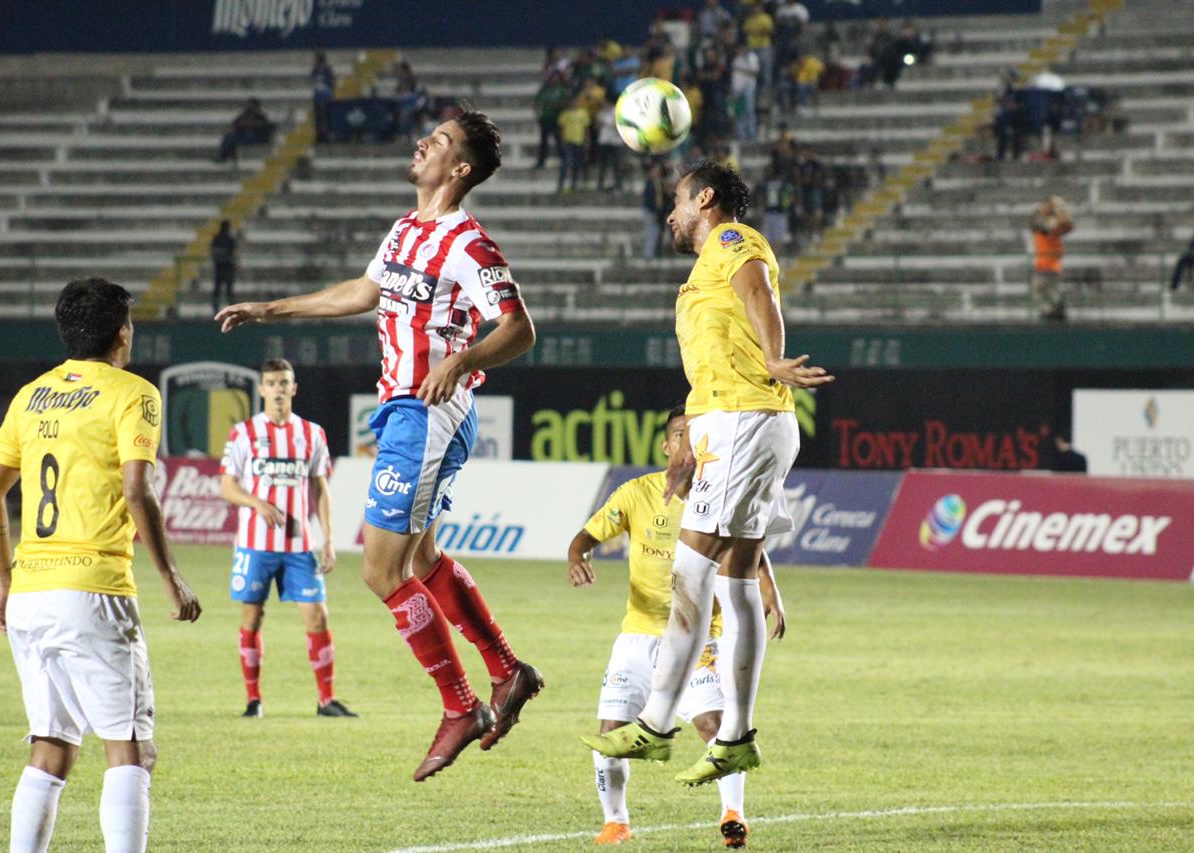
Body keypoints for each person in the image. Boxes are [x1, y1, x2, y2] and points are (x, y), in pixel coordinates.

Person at [215, 109, 543, 782]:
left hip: (426, 413)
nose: (424, 140)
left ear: (459, 170)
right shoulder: (405, 230)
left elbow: (519, 328)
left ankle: (462, 705)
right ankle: (507, 670)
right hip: (410, 411)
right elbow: (364, 292)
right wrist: (269, 308)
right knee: (420, 560)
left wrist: (460, 360)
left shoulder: (467, 242)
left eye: (442, 140)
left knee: (379, 569)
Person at [581, 160, 832, 785]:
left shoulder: (730, 240)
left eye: (677, 200)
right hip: (734, 421)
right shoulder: (700, 275)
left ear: (707, 199)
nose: (670, 212)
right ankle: (735, 738)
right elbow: (713, 359)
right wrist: (691, 432)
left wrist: (774, 357)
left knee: (690, 569)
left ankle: (659, 722)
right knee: (735, 578)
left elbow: (758, 291)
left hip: (747, 419)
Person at [0, 278, 202, 853]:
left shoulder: (30, 396)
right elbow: (137, 489)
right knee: (130, 748)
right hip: (94, 588)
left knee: (51, 748)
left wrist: (5, 580)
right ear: (122, 332)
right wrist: (172, 580)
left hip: (31, 590)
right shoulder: (132, 393)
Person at [568, 406, 787, 849]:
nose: (689, 443)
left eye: (696, 435)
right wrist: (578, 556)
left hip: (700, 638)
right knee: (610, 736)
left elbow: (747, 544)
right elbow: (586, 536)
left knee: (715, 725)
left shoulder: (719, 493)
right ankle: (616, 822)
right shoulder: (636, 494)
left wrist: (769, 587)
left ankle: (733, 814)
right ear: (669, 445)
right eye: (680, 435)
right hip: (637, 637)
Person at [220, 358, 356, 720]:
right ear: (261, 389)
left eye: (284, 383)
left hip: (299, 546)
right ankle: (253, 700)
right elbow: (227, 485)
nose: (278, 389)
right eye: (271, 383)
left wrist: (328, 540)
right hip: (255, 544)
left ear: (293, 388)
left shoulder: (312, 433)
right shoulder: (244, 433)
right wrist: (255, 502)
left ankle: (326, 700)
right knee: (252, 616)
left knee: (317, 618)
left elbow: (321, 488)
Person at [1030, 195, 1074, 321]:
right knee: (1041, 292)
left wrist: (1060, 209)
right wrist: (1044, 209)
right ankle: (1051, 313)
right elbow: (1036, 223)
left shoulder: (1054, 224)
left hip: (1051, 266)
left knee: (1052, 293)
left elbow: (1067, 225)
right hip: (1042, 265)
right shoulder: (1040, 223)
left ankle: (1055, 313)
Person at [215, 98, 274, 165]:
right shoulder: (244, 116)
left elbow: (266, 128)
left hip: (255, 137)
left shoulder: (261, 117)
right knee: (229, 138)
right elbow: (235, 124)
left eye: (251, 106)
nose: (249, 108)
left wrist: (254, 125)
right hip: (242, 135)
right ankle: (223, 157)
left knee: (247, 136)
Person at [534, 71, 571, 169]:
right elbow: (537, 102)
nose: (554, 79)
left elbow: (567, 103)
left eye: (556, 77)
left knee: (558, 140)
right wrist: (538, 115)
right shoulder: (545, 90)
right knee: (543, 141)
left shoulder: (562, 90)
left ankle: (564, 160)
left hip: (556, 118)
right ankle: (541, 161)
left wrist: (557, 105)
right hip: (545, 118)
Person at [557, 95, 591, 194]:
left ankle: (574, 185)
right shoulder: (565, 114)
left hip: (579, 141)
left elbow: (586, 129)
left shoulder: (583, 114)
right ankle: (561, 185)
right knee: (566, 163)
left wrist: (586, 141)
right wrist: (562, 140)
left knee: (577, 164)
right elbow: (562, 128)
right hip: (569, 141)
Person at [210, 220, 237, 314]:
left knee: (223, 290)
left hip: (222, 267)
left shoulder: (220, 239)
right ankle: (220, 310)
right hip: (224, 268)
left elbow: (214, 252)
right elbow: (232, 254)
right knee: (224, 290)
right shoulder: (225, 239)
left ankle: (219, 310)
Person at [311, 52, 335, 143]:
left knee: (326, 117)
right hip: (317, 97)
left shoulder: (327, 70)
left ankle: (327, 135)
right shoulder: (315, 70)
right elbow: (313, 80)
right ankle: (319, 135)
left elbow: (332, 82)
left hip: (326, 97)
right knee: (318, 118)